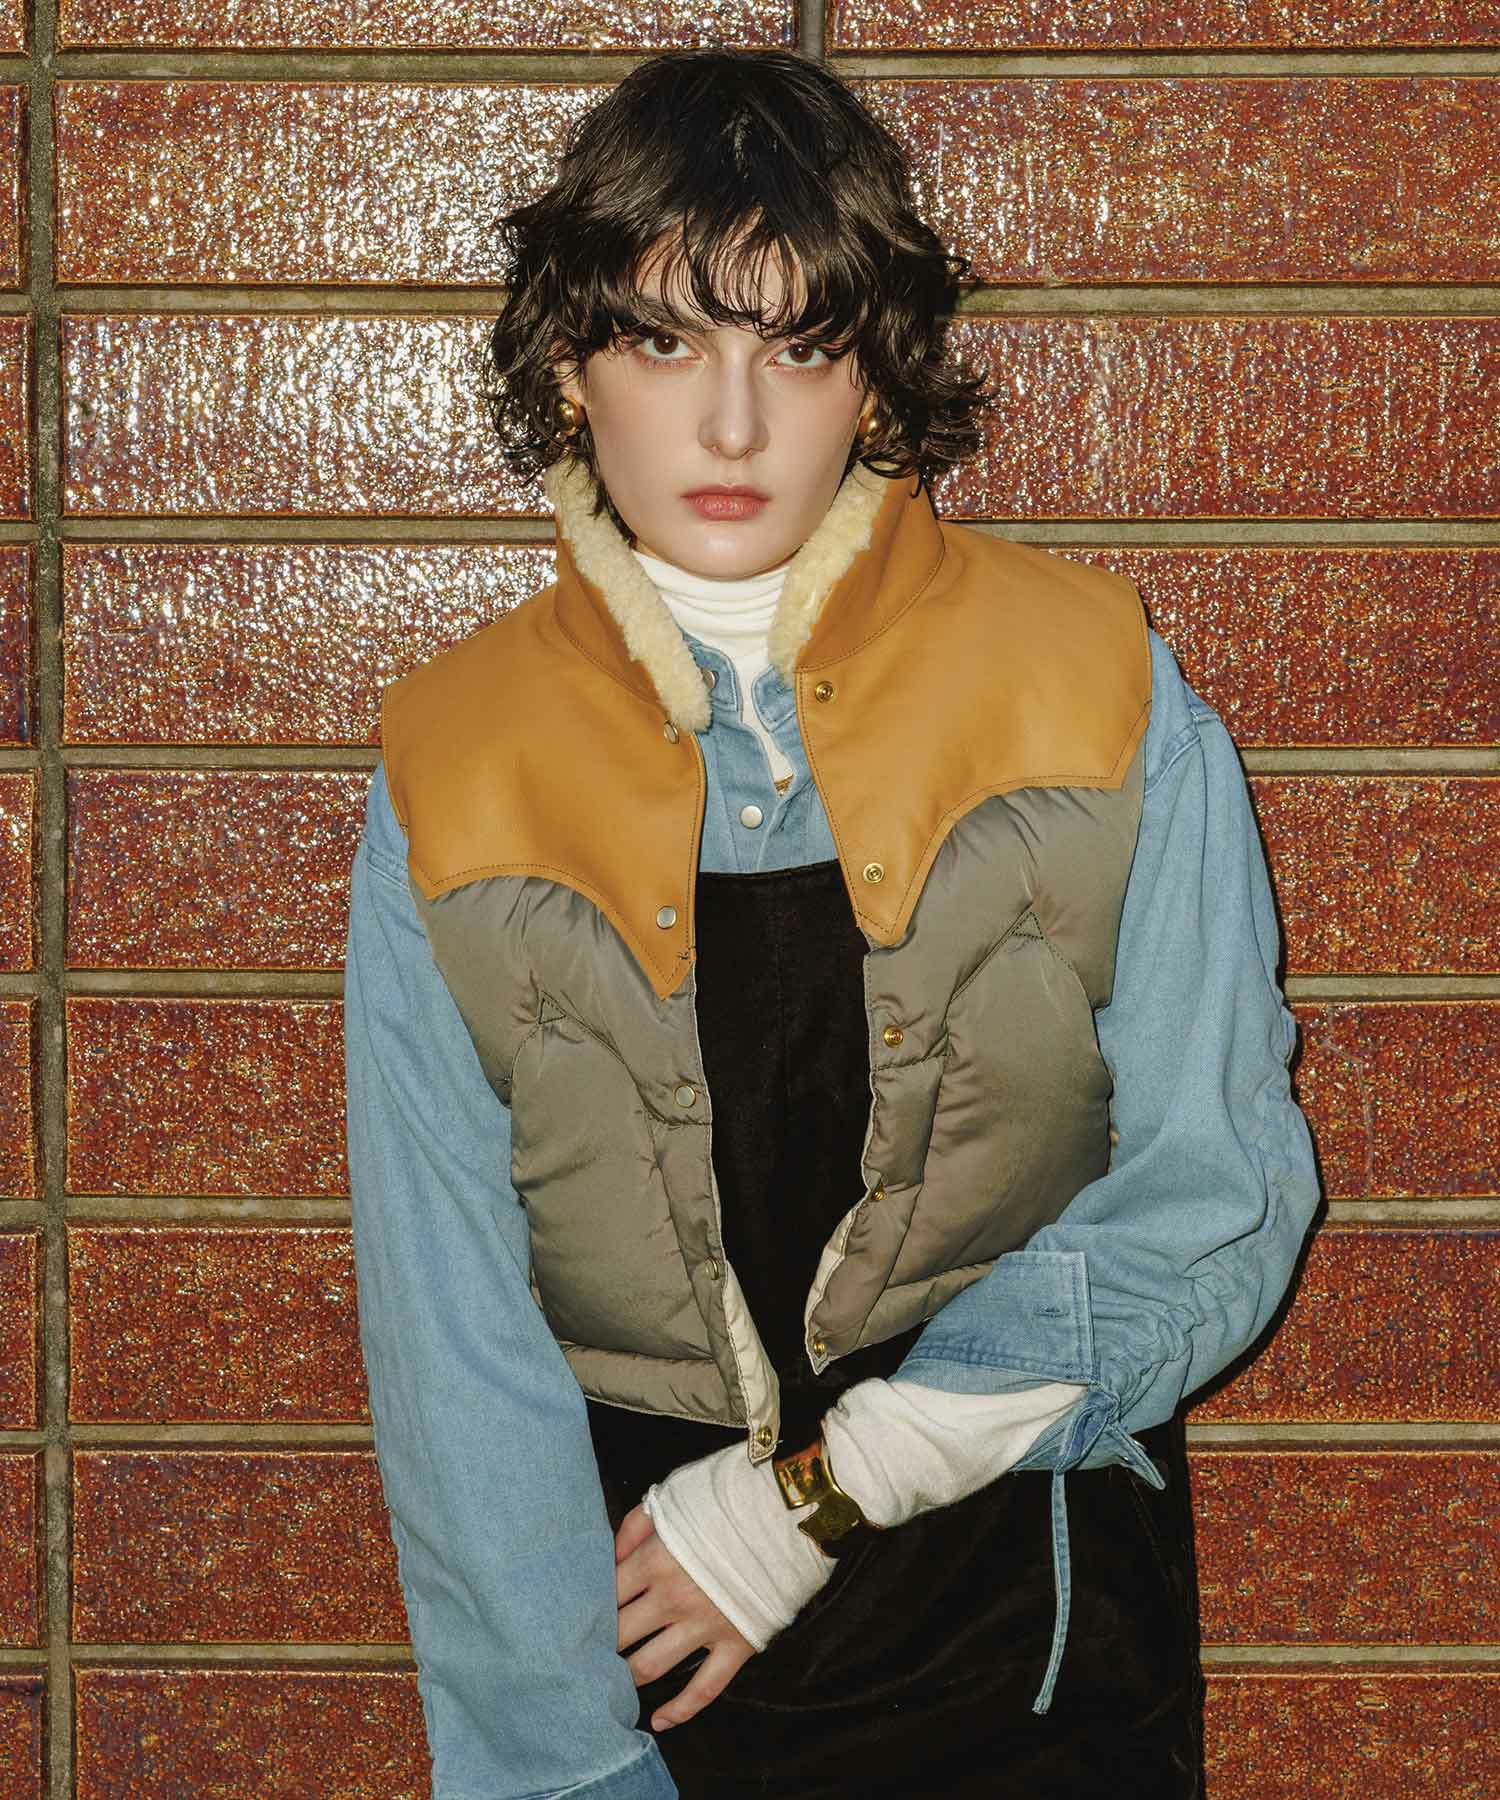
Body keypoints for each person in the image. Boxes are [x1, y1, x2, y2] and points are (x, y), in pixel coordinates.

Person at [343, 46, 1321, 1800]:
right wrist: (558, 1770)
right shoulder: (454, 760)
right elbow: (452, 1341)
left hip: (1033, 1642)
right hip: (650, 1666)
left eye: (798, 347)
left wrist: (818, 1491)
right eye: (664, 341)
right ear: (570, 366)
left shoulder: (1102, 688)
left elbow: (1221, 1194)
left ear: (874, 377)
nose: (731, 425)